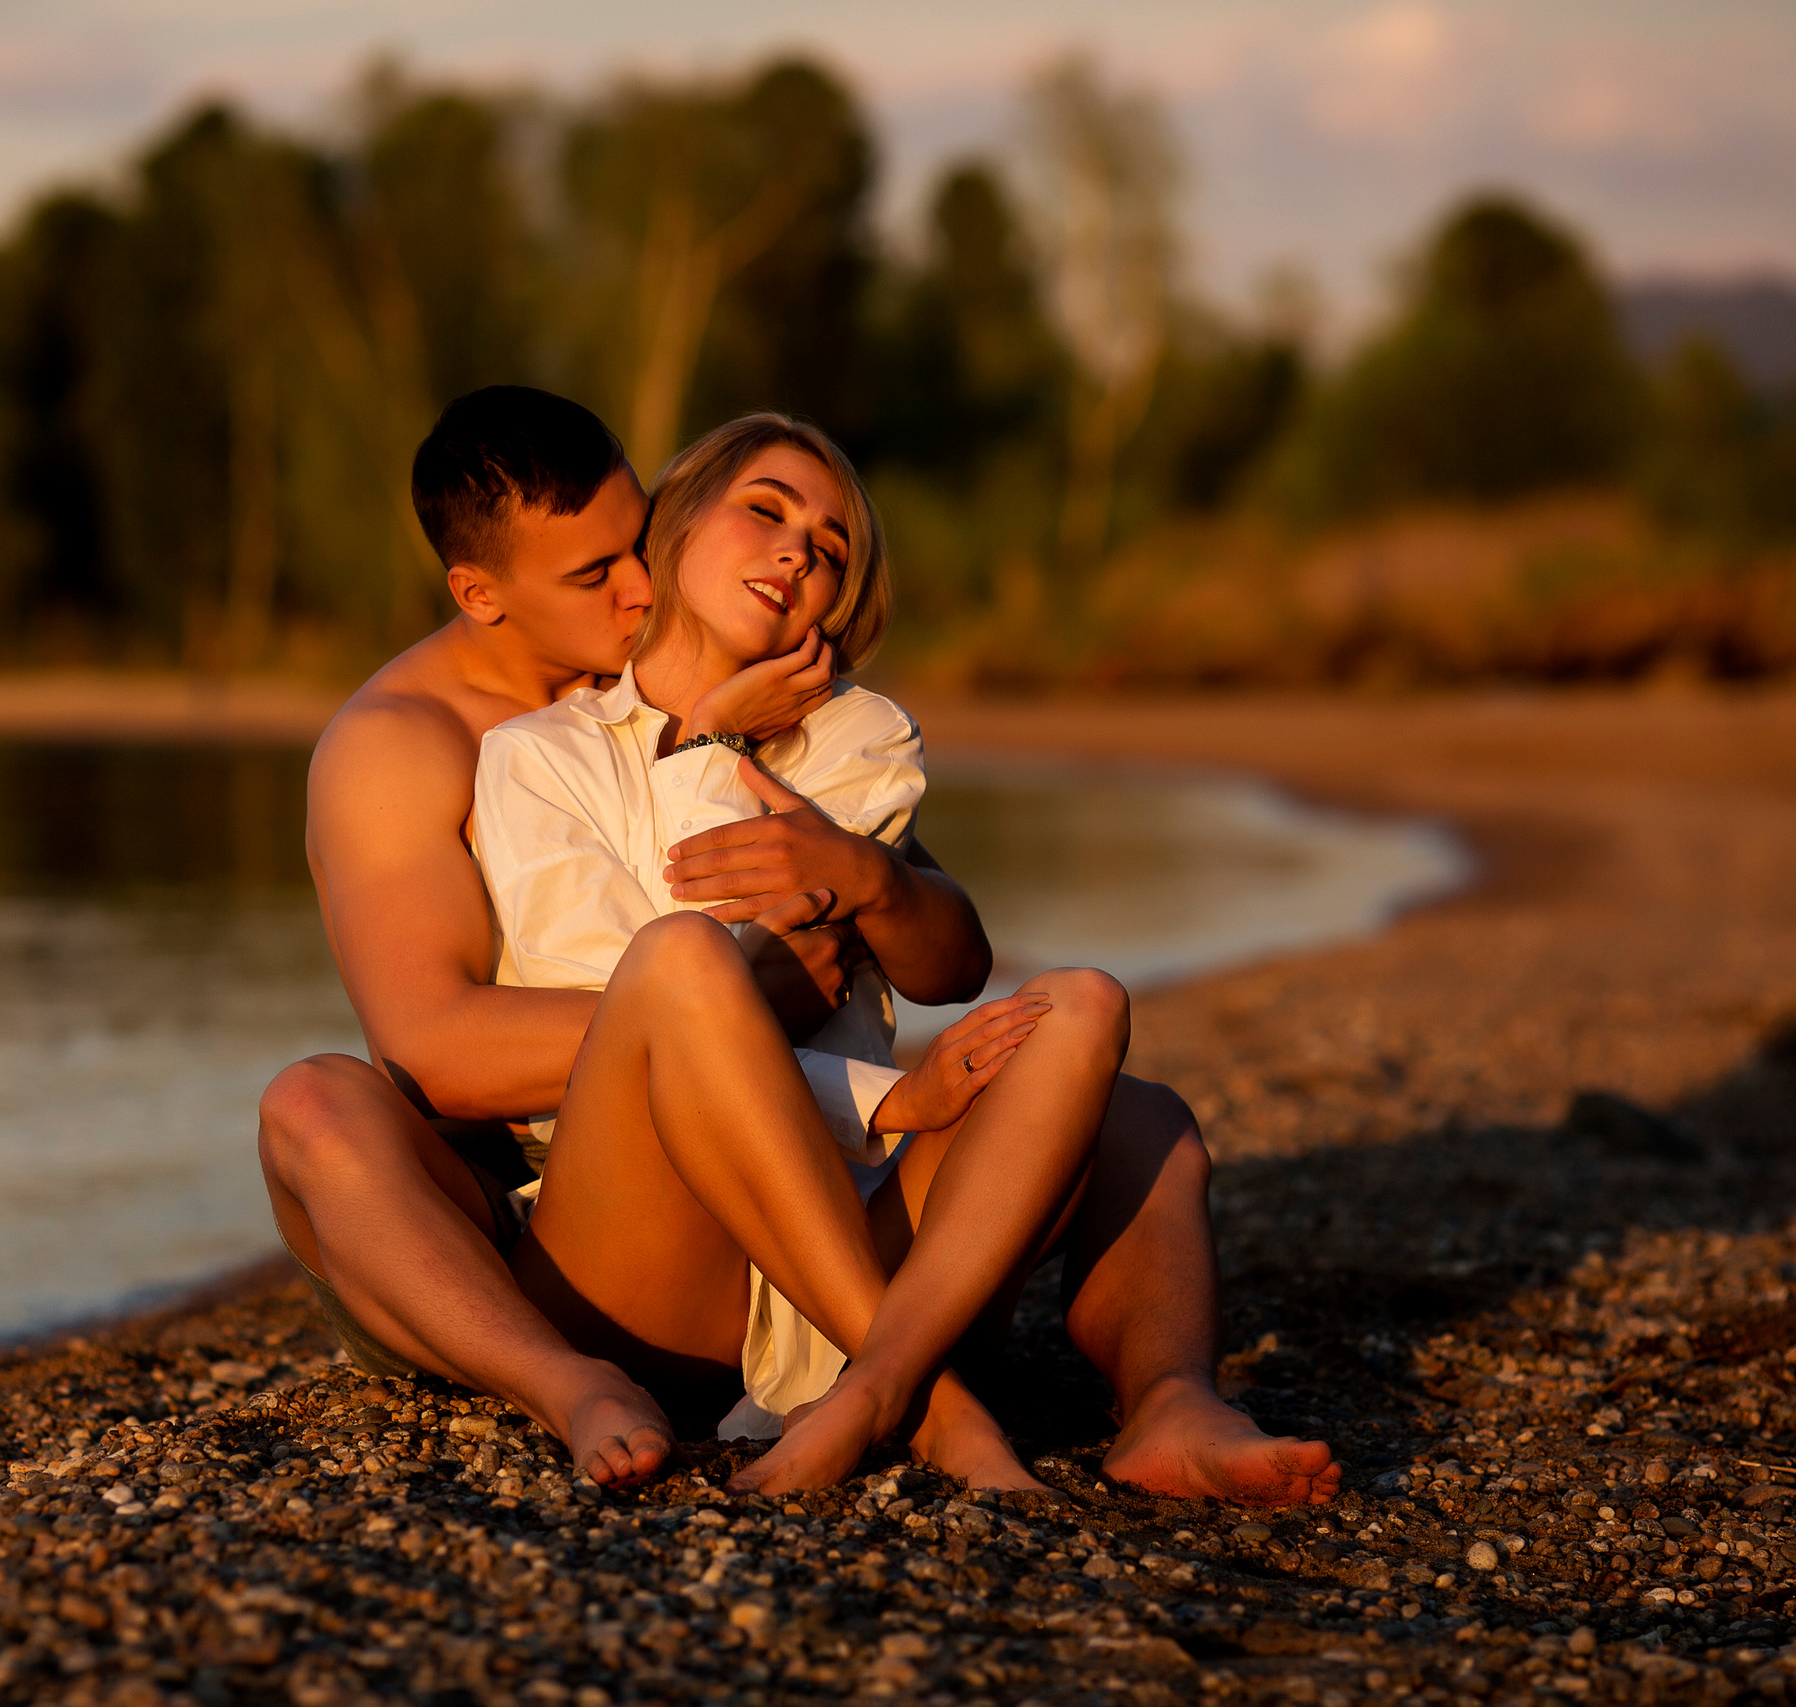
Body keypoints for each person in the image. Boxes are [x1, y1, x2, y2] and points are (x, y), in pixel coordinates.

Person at [258, 386, 1340, 1504]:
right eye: (593, 577)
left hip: (801, 1185)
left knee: (1141, 1117)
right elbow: (441, 1055)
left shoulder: (769, 696)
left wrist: (864, 882)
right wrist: (751, 1023)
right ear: (481, 595)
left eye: (639, 542)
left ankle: (1165, 1400)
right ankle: (644, 1384)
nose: (635, 587)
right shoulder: (420, 746)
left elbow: (943, 949)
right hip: (571, 1229)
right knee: (318, 1103)